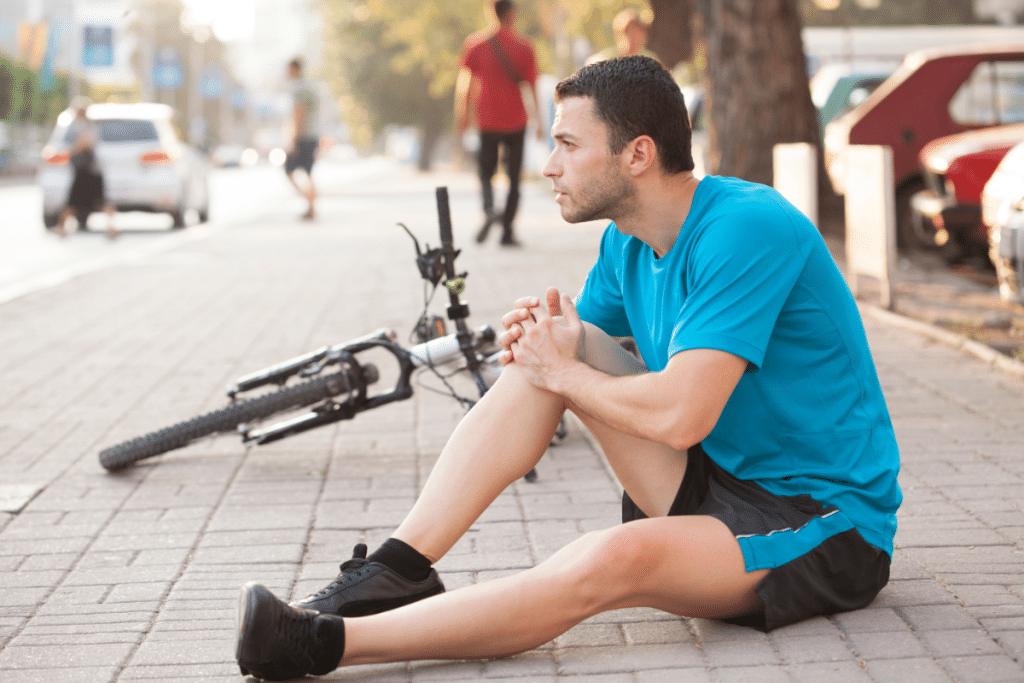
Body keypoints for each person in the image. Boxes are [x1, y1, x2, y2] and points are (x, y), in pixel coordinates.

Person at [234, 56, 902, 681]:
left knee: (613, 553)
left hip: (822, 519)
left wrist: (562, 370)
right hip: (715, 478)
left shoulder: (746, 227)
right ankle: (397, 567)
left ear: (637, 154)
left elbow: (679, 415)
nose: (550, 166)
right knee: (555, 346)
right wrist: (542, 344)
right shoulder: (628, 242)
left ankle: (322, 644)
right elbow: (565, 353)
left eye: (568, 146)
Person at [456, 0, 543, 247]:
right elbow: (532, 86)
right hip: (517, 120)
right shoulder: (524, 47)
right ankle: (507, 232)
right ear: (512, 15)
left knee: (485, 173)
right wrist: (539, 122)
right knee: (515, 178)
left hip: (488, 120)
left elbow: (465, 85)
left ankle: (489, 209)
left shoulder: (476, 45)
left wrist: (463, 115)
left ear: (490, 13)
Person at [57, 97, 116, 239]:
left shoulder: (85, 126)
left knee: (79, 202)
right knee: (81, 202)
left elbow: (85, 144)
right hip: (86, 171)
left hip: (88, 172)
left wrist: (72, 150)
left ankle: (112, 228)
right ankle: (62, 229)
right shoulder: (80, 125)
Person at [284, 58, 320, 221]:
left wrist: (294, 139)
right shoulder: (311, 86)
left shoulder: (298, 88)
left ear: (294, 69)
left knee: (289, 170)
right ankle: (311, 205)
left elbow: (299, 113)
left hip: (303, 136)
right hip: (312, 135)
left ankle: (309, 200)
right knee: (308, 172)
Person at [586, 8, 657, 65]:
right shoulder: (602, 61)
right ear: (618, 35)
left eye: (638, 32)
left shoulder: (651, 60)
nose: (633, 37)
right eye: (629, 32)